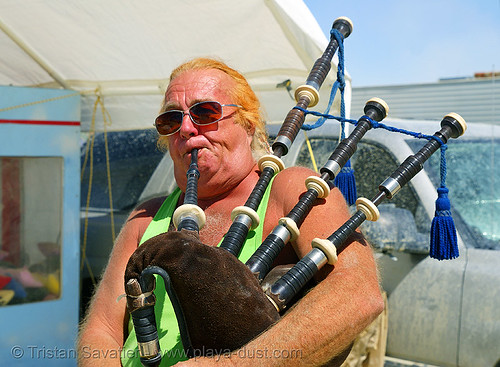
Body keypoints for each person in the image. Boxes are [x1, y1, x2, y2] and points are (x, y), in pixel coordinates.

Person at [78, 57, 384, 366]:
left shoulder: (292, 191)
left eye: (205, 112)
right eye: (171, 120)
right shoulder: (146, 217)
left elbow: (356, 293)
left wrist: (231, 365)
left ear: (248, 124)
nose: (186, 128)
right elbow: (102, 328)